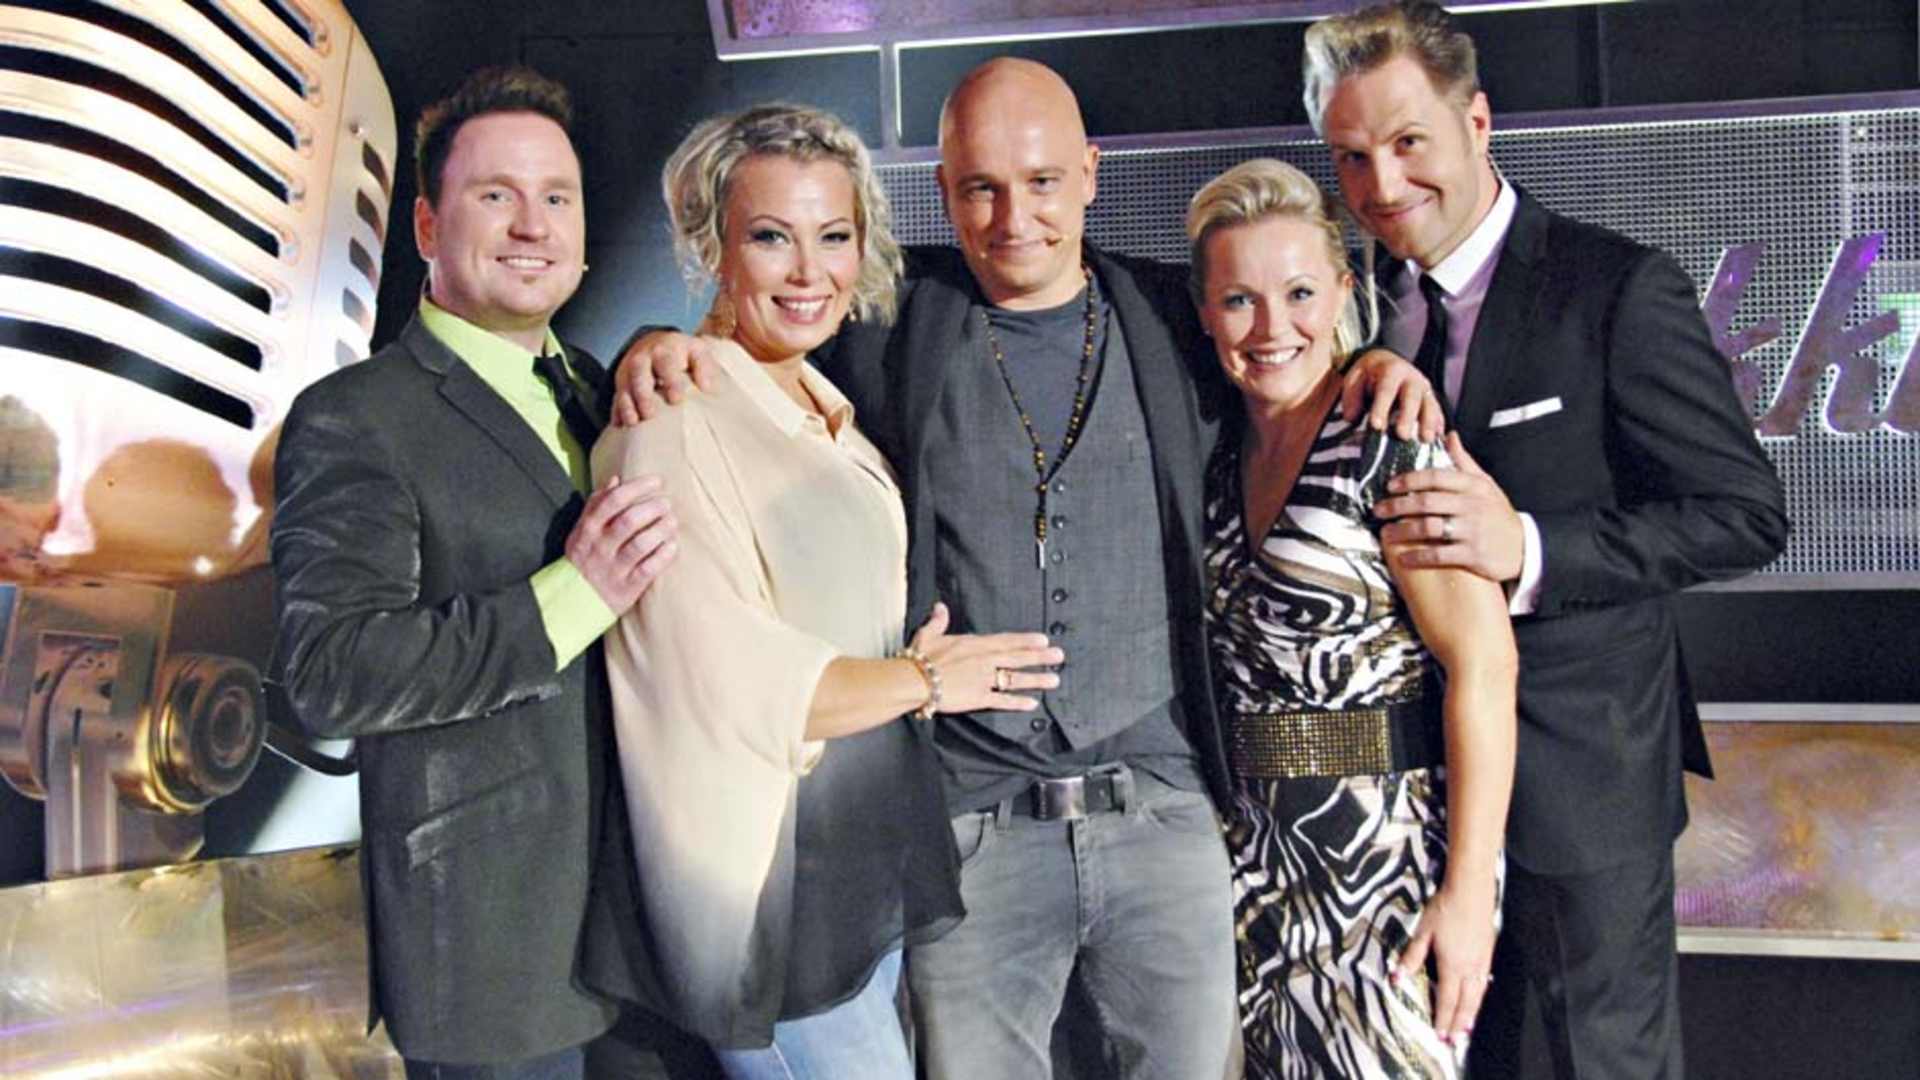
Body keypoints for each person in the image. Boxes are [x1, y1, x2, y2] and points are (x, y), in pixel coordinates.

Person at [613, 58, 1441, 1080]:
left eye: (1043, 181)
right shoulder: (889, 319)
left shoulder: (1178, 318)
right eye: (981, 188)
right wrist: (655, 341)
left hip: (1165, 816)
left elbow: (1284, 345)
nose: (1015, 219)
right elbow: (757, 331)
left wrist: (1374, 363)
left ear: (1089, 174)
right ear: (944, 191)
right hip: (973, 835)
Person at [1301, 5, 1792, 1077]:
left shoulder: (1614, 289)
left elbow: (1745, 514)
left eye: (1409, 142)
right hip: (1399, 801)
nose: (1382, 185)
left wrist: (1526, 546)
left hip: (1580, 787)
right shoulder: (1338, 304)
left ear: (1477, 122)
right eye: (1351, 157)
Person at [578, 103, 1063, 1079]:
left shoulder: (818, 399)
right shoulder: (673, 420)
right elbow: (724, 681)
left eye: (833, 236)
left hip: (851, 868)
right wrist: (929, 681)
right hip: (765, 893)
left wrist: (902, 653)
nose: (810, 272)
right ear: (710, 245)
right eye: (771, 237)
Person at [271, 67, 680, 1078]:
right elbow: (332, 671)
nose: (533, 225)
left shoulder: (604, 390)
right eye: (496, 195)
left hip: (642, 935)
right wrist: (573, 596)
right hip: (495, 955)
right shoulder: (355, 416)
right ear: (425, 224)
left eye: (557, 198)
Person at [1188, 157, 1516, 1079]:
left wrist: (1467, 893)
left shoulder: (1391, 440)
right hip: (1247, 870)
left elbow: (1485, 667)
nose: (1272, 327)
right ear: (1205, 312)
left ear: (1343, 290)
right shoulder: (1212, 451)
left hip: (1386, 868)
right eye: (1240, 300)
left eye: (1299, 293)